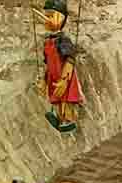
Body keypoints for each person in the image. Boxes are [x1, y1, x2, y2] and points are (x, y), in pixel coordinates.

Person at [35, 0, 84, 132]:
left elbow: (70, 60)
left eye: (50, 15)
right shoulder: (47, 42)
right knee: (57, 101)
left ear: (61, 18)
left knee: (66, 101)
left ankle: (68, 120)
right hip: (53, 76)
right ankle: (61, 120)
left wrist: (64, 80)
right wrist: (44, 82)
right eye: (46, 16)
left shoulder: (63, 40)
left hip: (63, 78)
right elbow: (48, 65)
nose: (47, 19)